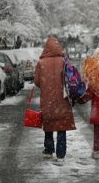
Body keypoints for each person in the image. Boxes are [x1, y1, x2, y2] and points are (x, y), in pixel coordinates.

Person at [34, 36, 76, 164]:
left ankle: (48, 150)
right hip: (62, 99)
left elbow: (37, 82)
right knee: (61, 126)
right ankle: (61, 154)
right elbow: (71, 79)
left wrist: (46, 86)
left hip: (47, 99)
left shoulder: (41, 63)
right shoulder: (64, 61)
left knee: (49, 124)